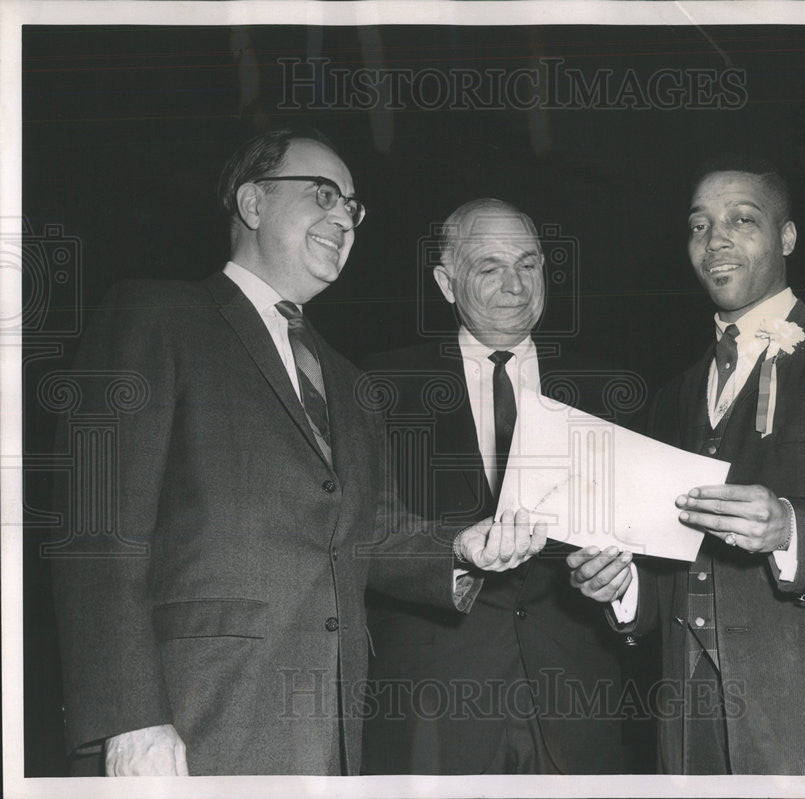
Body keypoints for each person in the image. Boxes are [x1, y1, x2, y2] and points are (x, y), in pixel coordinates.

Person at [49, 130, 545, 777]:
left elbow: (370, 534)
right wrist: (130, 717)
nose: (343, 216)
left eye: (353, 207)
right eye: (322, 194)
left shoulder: (347, 379)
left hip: (330, 723)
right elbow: (98, 530)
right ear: (252, 203)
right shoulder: (157, 315)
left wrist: (460, 548)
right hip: (195, 717)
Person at [568, 156, 805, 774]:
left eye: (741, 219)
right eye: (699, 226)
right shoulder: (672, 397)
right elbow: (674, 567)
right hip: (690, 733)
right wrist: (625, 587)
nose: (715, 239)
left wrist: (791, 530)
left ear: (787, 238)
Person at [361, 198, 635, 774]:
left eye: (529, 264)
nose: (515, 284)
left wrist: (624, 579)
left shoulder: (611, 388)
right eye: (489, 267)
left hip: (579, 702)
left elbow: (647, 546)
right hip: (433, 704)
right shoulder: (379, 387)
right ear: (446, 282)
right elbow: (358, 538)